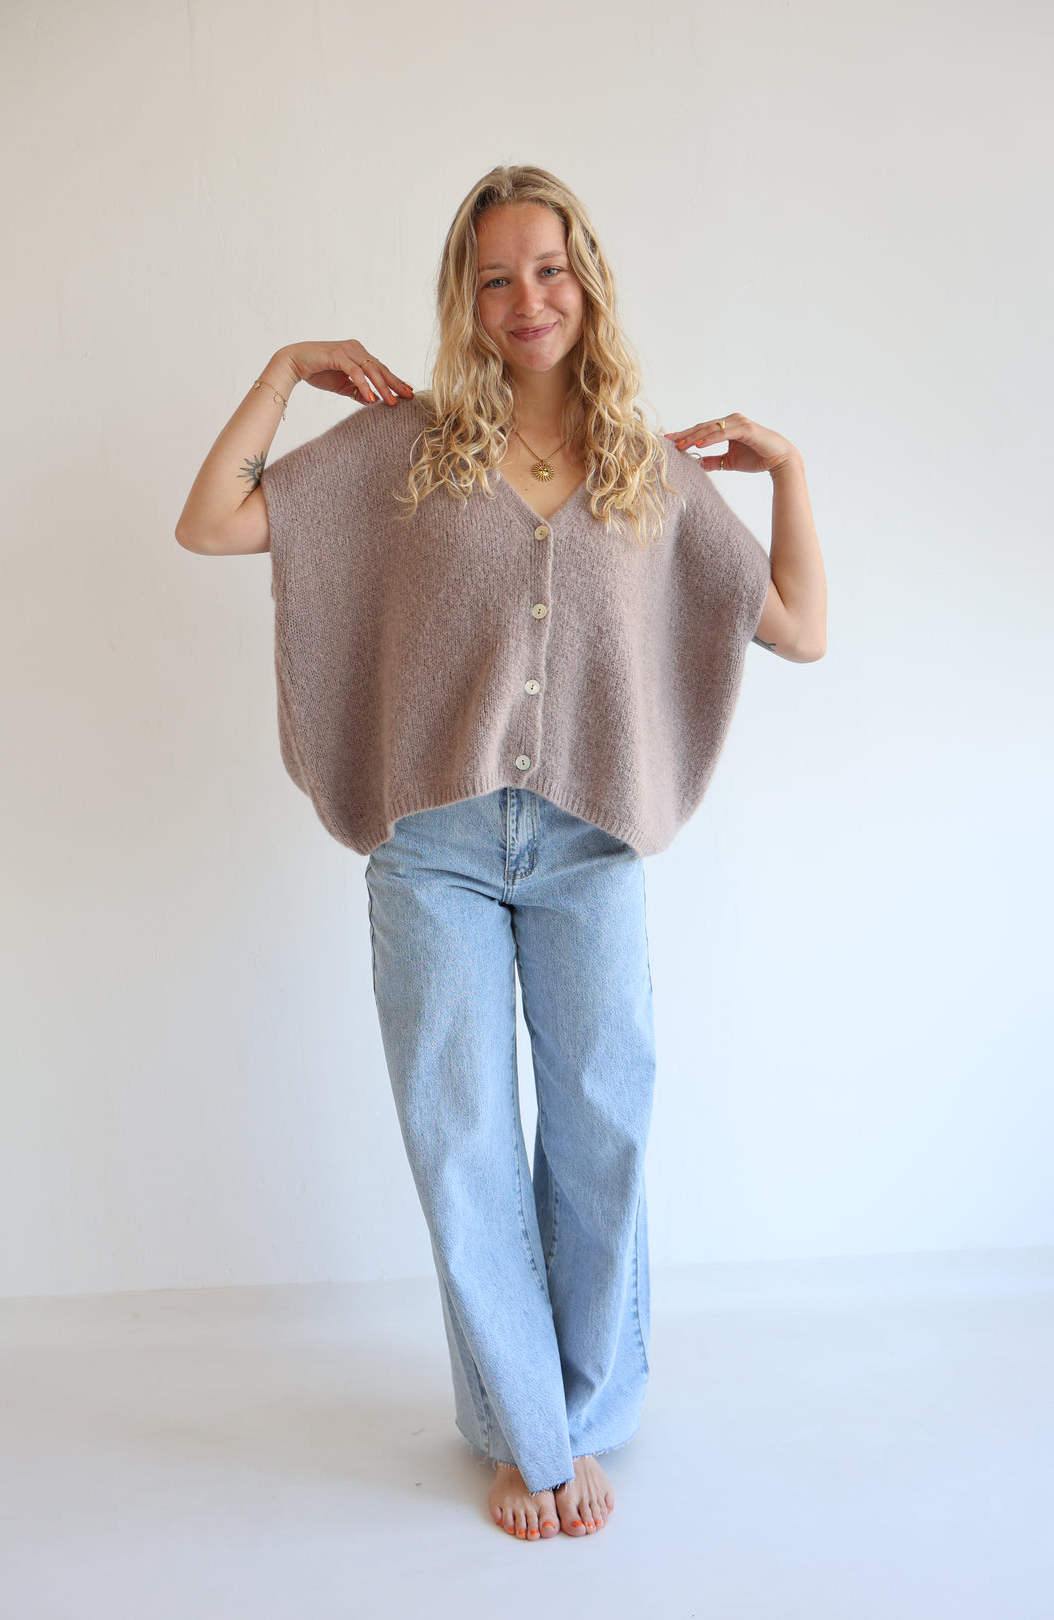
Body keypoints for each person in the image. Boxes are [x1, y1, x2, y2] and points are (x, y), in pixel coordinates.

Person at [175, 163, 827, 1542]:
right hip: (436, 851)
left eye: (547, 268)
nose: (526, 298)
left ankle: (585, 1411)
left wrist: (787, 472)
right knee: (464, 1140)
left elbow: (798, 628)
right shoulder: (408, 449)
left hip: (590, 847)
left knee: (602, 1134)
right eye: (494, 278)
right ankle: (533, 1439)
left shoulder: (647, 469)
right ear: (463, 300)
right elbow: (214, 520)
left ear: (586, 279)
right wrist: (285, 371)